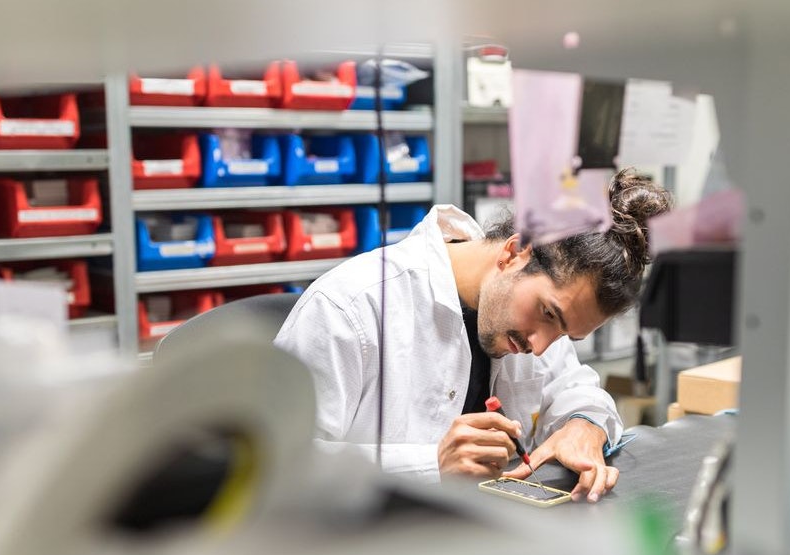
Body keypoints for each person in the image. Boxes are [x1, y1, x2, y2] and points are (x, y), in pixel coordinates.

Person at [274, 169, 673, 502]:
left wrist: (585, 425)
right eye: (549, 314)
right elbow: (276, 467)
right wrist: (433, 464)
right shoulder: (352, 306)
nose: (539, 346)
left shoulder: (537, 319)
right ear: (515, 253)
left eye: (565, 332)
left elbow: (579, 389)